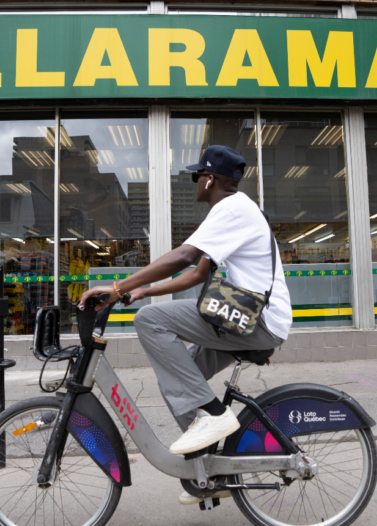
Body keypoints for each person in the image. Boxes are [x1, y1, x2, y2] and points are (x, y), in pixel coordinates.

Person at [79, 145, 292, 504]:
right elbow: (196, 274)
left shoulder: (231, 208)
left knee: (150, 320)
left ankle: (213, 414)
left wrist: (117, 287)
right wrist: (137, 292)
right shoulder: (234, 212)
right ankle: (207, 471)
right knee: (175, 384)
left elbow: (183, 257)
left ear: (210, 179)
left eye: (197, 175)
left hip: (255, 320)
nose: (194, 182)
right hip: (245, 317)